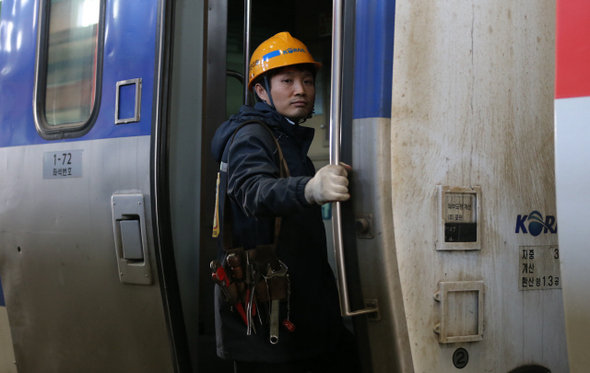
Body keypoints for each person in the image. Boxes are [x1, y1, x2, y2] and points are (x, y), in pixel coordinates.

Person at [211, 32, 360, 372]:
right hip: (268, 315)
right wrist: (310, 189)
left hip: (296, 304)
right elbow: (252, 190)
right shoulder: (252, 134)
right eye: (287, 80)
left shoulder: (285, 136)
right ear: (261, 90)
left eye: (307, 80)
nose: (301, 90)